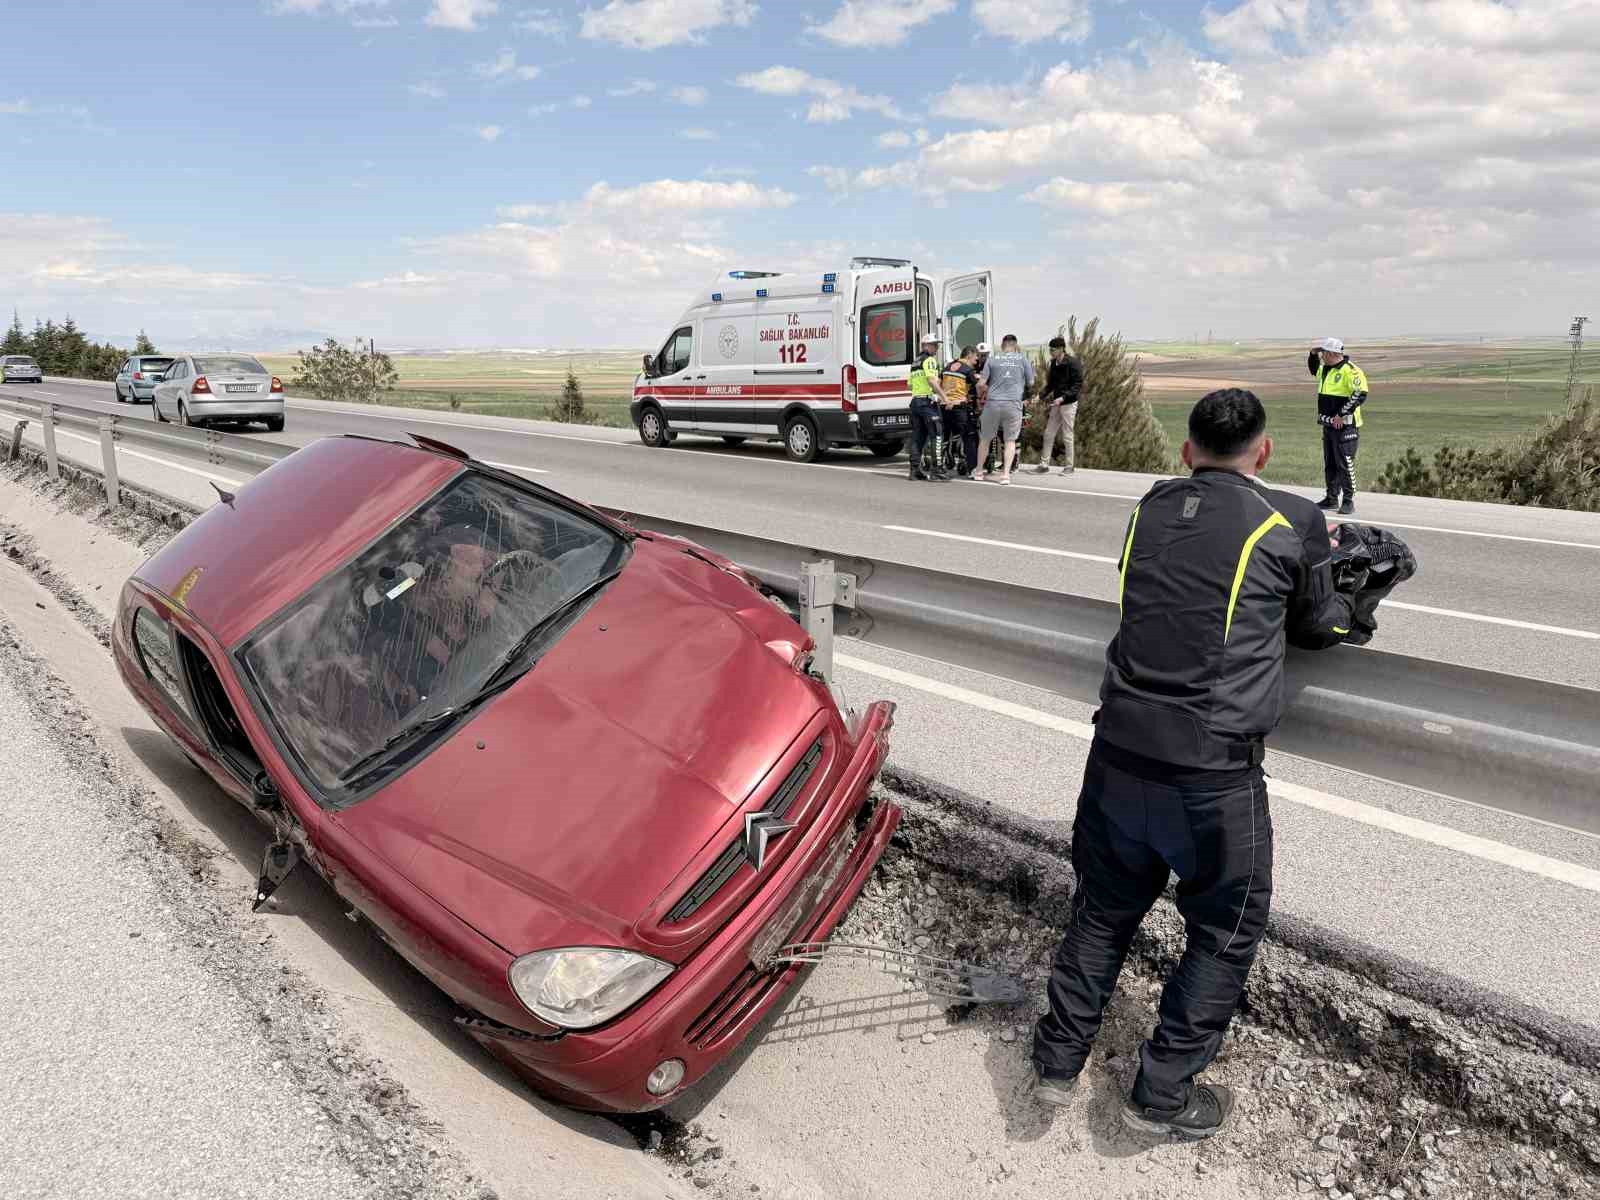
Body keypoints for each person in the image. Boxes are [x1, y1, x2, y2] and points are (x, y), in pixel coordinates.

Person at [1030, 388, 1359, 1140]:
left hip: (1117, 755)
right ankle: (1160, 1096)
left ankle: (1055, 1063)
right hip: (1212, 776)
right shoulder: (1291, 519)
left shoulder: (1148, 507)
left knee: (1102, 911)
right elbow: (1319, 624)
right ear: (1264, 452)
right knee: (1223, 931)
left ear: (1187, 452)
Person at [1307, 337, 1369, 515]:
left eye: (1323, 353)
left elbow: (1359, 394)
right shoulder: (1325, 370)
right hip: (1328, 424)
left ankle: (1348, 500)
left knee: (1345, 464)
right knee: (1331, 464)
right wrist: (1312, 354)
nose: (1322, 356)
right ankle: (1331, 498)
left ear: (1331, 354)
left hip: (1346, 426)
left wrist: (1341, 414)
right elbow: (1313, 369)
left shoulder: (1351, 371)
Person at [973, 333, 1034, 485]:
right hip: (1013, 404)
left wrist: (981, 396)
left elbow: (981, 384)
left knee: (985, 439)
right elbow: (1031, 382)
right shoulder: (1023, 359)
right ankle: (1005, 475)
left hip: (993, 403)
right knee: (1010, 441)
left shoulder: (992, 359)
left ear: (1002, 345)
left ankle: (979, 472)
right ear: (1016, 345)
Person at [1032, 336, 1084, 475]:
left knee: (1067, 435)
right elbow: (1050, 385)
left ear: (1061, 349)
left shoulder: (1073, 363)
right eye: (1050, 349)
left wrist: (1063, 397)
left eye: (1053, 349)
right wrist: (1039, 396)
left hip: (1069, 404)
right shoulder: (1053, 364)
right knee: (1048, 434)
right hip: (1057, 403)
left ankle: (1069, 466)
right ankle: (1044, 465)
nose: (1051, 352)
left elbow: (1077, 385)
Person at [907, 331, 951, 482]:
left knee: (918, 437)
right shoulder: (930, 360)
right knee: (937, 435)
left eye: (937, 345)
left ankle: (914, 471)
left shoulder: (915, 362)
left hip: (915, 402)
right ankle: (937, 471)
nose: (936, 348)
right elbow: (932, 381)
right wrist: (945, 398)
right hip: (927, 403)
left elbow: (909, 385)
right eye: (934, 345)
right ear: (925, 345)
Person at [941, 345, 981, 476]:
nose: (976, 362)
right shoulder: (968, 370)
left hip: (945, 406)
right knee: (969, 437)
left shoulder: (947, 367)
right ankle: (972, 469)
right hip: (959, 407)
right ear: (969, 355)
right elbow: (978, 387)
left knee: (947, 436)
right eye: (975, 358)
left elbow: (939, 383)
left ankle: (942, 464)